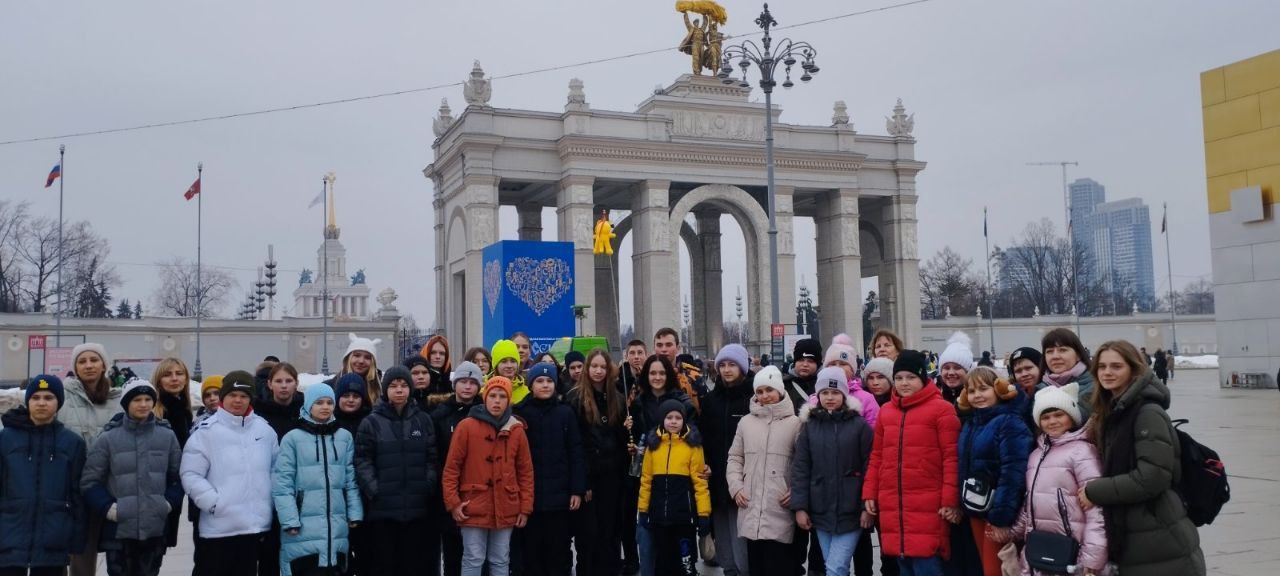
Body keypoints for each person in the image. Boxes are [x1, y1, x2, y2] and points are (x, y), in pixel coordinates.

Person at [1080, 341, 1205, 576]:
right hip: (1138, 534)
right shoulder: (1113, 411)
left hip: (1159, 536)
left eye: (1116, 366)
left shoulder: (1147, 413)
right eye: (1102, 366)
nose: (1107, 372)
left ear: (1133, 369)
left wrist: (1094, 491)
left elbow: (1153, 477)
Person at [863, 350, 961, 576]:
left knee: (927, 565)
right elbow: (876, 456)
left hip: (929, 505)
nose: (904, 383)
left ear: (923, 378)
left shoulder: (942, 409)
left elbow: (951, 458)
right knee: (903, 566)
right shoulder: (886, 412)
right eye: (899, 378)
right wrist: (870, 492)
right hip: (893, 506)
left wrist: (950, 499)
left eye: (910, 377)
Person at [181, 370, 280, 576]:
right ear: (223, 397)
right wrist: (214, 503)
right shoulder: (206, 433)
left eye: (244, 396)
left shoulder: (264, 431)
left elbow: (276, 471)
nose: (238, 400)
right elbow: (190, 474)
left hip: (254, 528)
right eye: (232, 395)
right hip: (218, 530)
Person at [81, 380, 184, 576]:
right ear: (126, 403)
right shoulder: (108, 438)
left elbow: (178, 477)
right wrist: (109, 509)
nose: (143, 404)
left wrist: (167, 504)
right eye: (137, 399)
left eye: (148, 399)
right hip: (118, 530)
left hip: (154, 528)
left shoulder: (167, 436)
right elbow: (90, 482)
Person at [442, 377, 535, 576]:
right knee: (473, 558)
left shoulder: (517, 430)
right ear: (484, 398)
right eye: (492, 395)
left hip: (506, 504)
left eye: (502, 396)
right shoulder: (466, 427)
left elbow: (525, 472)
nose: (497, 400)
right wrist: (453, 503)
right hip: (472, 505)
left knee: (500, 559)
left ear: (509, 400)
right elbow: (451, 469)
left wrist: (525, 507)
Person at [1012, 384, 1107, 576]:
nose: (1052, 421)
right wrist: (1012, 531)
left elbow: (1097, 510)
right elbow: (1030, 502)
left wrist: (1091, 559)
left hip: (1073, 554)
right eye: (1045, 417)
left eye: (1058, 414)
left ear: (1071, 417)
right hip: (1039, 553)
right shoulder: (1035, 455)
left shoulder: (1082, 452)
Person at [354, 366, 439, 576]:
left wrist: (426, 486)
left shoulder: (423, 420)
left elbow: (432, 459)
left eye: (403, 385)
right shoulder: (371, 422)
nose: (399, 390)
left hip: (416, 508)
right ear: (385, 390)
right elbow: (363, 461)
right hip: (383, 511)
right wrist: (375, 490)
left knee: (413, 565)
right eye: (393, 386)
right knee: (385, 565)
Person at [0, 375, 88, 576]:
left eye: (48, 398)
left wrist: (76, 537)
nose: (41, 403)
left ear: (59, 403)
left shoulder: (72, 443)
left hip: (53, 539)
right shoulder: (5, 439)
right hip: (10, 536)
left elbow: (77, 495)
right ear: (27, 401)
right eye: (36, 397)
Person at [273, 383, 364, 576]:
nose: (325, 407)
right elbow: (282, 483)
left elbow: (350, 479)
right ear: (308, 405)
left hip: (336, 528)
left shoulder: (344, 437)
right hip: (302, 529)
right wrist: (289, 520)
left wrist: (354, 511)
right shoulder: (292, 438)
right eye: (319, 402)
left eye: (329, 402)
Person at [791, 367, 874, 576]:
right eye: (825, 392)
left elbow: (870, 467)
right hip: (821, 510)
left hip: (851, 511)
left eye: (835, 392)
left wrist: (867, 506)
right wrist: (800, 507)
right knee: (834, 566)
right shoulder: (810, 427)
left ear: (844, 395)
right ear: (818, 395)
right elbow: (801, 468)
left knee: (835, 568)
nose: (830, 397)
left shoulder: (859, 426)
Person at [955, 367, 1032, 576]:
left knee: (995, 571)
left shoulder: (1010, 422)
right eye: (971, 391)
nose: (977, 396)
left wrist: (1001, 517)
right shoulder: (972, 423)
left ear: (998, 389)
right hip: (977, 508)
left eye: (983, 389)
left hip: (996, 512)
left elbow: (1013, 473)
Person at [726, 366, 802, 574]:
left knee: (779, 566)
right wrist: (736, 487)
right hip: (750, 506)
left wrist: (796, 490)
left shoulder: (795, 423)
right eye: (759, 392)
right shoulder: (746, 422)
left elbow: (803, 463)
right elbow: (734, 458)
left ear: (780, 390)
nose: (764, 396)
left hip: (779, 508)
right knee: (755, 567)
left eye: (769, 390)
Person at [514, 363, 586, 576]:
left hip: (560, 499)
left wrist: (577, 489)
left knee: (559, 553)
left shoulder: (566, 413)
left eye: (549, 381)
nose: (545, 385)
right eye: (539, 381)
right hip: (531, 500)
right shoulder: (520, 414)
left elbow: (576, 452)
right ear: (531, 385)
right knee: (532, 555)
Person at [627, 354, 696, 576]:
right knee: (647, 543)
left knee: (678, 549)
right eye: (652, 373)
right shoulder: (636, 404)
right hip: (647, 479)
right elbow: (634, 439)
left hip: (676, 485)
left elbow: (693, 436)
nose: (657, 377)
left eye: (662, 373)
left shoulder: (683, 402)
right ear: (646, 376)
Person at [60, 343, 124, 576]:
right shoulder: (62, 396)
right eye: (82, 361)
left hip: (109, 488)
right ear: (75, 367)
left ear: (104, 364)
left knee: (119, 555)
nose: (88, 365)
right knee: (81, 556)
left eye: (94, 360)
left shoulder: (118, 400)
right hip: (74, 490)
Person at [565, 350, 630, 576]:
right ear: (587, 368)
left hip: (613, 477)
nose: (599, 371)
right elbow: (576, 444)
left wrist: (627, 430)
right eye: (594, 366)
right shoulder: (575, 399)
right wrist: (584, 483)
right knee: (588, 535)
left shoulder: (618, 399)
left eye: (603, 367)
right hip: (589, 480)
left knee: (610, 531)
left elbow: (621, 443)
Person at [637, 400, 711, 576]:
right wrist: (643, 511)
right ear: (662, 419)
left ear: (684, 420)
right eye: (669, 417)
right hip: (659, 517)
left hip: (683, 518)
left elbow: (700, 484)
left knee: (686, 561)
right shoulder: (653, 447)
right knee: (663, 560)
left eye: (678, 418)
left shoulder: (693, 446)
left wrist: (703, 514)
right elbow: (646, 481)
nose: (673, 421)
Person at [701, 344, 755, 576]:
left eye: (732, 364)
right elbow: (704, 437)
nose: (726, 370)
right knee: (723, 535)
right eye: (722, 365)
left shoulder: (754, 398)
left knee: (741, 538)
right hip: (716, 478)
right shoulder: (711, 400)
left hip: (744, 481)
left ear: (742, 367)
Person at [431, 362, 485, 576]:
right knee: (453, 556)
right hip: (450, 494)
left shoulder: (486, 414)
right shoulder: (440, 416)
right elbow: (436, 456)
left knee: (478, 556)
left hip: (478, 493)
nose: (468, 387)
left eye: (473, 382)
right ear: (455, 384)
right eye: (463, 381)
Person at [151, 358, 195, 554]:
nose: (174, 378)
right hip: (157, 487)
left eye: (179, 373)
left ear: (186, 378)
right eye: (167, 375)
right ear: (159, 380)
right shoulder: (156, 410)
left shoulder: (183, 409)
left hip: (173, 486)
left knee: (158, 550)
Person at [824, 334, 880, 429]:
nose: (837, 367)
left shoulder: (866, 399)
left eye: (843, 364)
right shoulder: (817, 397)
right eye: (832, 363)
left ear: (852, 369)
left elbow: (874, 430)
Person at [1039, 328, 1095, 422]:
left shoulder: (1096, 386)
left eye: (1063, 350)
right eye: (1049, 351)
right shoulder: (1039, 390)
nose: (1055, 356)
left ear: (1078, 355)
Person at [258, 362, 304, 442]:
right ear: (270, 384)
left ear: (296, 384)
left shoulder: (306, 410)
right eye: (278, 381)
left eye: (289, 381)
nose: (284, 386)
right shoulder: (259, 411)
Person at [334, 333, 384, 407]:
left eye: (367, 357)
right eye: (357, 355)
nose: (361, 361)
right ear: (348, 357)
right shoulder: (332, 386)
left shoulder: (382, 388)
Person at [937, 332, 975, 410]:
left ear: (968, 372)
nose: (951, 373)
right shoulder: (934, 398)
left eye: (957, 368)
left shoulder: (977, 399)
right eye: (946, 368)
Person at [488, 340, 530, 404]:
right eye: (504, 361)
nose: (509, 366)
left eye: (513, 361)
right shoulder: (484, 389)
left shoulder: (527, 393)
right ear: (496, 365)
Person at [420, 335, 456, 408]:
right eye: (433, 353)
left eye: (442, 353)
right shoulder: (419, 384)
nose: (438, 357)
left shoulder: (452, 386)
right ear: (426, 354)